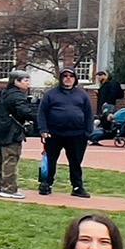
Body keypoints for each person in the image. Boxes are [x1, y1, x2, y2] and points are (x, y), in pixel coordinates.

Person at [37, 69, 94, 198]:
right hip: (54, 134)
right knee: (50, 160)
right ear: (61, 78)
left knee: (75, 162)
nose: (68, 78)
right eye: (65, 76)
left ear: (75, 78)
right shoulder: (50, 94)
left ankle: (77, 187)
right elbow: (42, 113)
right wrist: (43, 130)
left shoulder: (82, 95)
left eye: (71, 76)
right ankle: (46, 184)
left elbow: (89, 114)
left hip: (77, 134)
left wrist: (88, 132)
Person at [0, 71, 36, 198]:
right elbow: (24, 112)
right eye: (25, 80)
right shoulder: (18, 96)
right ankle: (9, 189)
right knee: (10, 160)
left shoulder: (1, 94)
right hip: (11, 132)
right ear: (16, 81)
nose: (28, 83)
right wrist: (36, 115)